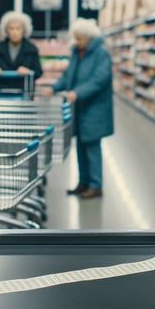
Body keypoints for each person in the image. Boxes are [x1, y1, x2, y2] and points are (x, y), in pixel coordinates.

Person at [44, 18, 113, 199]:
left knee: (92, 147)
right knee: (81, 146)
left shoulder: (101, 53)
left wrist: (78, 92)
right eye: (75, 38)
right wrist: (55, 87)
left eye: (80, 38)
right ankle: (83, 183)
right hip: (80, 108)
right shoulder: (77, 52)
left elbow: (100, 79)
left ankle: (96, 185)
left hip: (94, 108)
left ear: (90, 37)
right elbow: (69, 75)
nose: (77, 41)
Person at [0, 11, 44, 96]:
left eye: (18, 28)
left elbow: (38, 72)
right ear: (6, 30)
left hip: (25, 93)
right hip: (1, 93)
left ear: (24, 31)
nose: (15, 32)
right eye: (11, 28)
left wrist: (29, 71)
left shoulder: (32, 49)